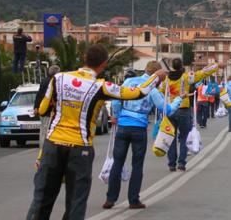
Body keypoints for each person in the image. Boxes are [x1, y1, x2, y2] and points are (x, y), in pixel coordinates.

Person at [27, 45, 166, 220]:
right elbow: (137, 93)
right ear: (104, 64)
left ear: (84, 57)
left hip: (53, 143)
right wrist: (155, 78)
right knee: (75, 203)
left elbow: (42, 108)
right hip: (80, 148)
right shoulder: (101, 86)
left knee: (41, 200)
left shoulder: (58, 78)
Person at [103, 61, 183, 210]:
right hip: (139, 128)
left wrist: (117, 116)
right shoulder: (152, 88)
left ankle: (110, 199)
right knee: (137, 165)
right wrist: (179, 99)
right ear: (157, 75)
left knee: (117, 162)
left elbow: (116, 100)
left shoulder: (128, 81)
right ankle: (133, 200)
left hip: (123, 127)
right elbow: (166, 109)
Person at [161, 58, 217, 172]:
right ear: (181, 66)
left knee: (171, 136)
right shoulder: (186, 77)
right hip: (183, 109)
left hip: (170, 110)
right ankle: (181, 163)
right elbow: (202, 73)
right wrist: (216, 66)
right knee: (184, 136)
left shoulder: (166, 79)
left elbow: (161, 90)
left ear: (172, 66)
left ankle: (171, 164)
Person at [34, 65, 61, 158]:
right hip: (50, 111)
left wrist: (36, 107)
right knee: (48, 130)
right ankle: (46, 150)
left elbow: (39, 95)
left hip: (42, 111)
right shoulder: (54, 82)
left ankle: (42, 148)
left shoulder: (44, 81)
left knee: (43, 130)